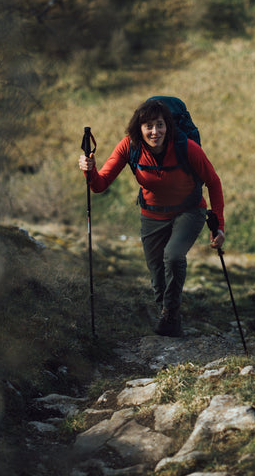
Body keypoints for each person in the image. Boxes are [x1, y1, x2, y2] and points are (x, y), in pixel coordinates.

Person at [78, 98, 225, 337]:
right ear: (139, 128)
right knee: (157, 274)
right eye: (148, 126)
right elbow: (100, 184)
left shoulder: (187, 148)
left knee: (173, 256)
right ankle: (169, 315)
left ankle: (169, 315)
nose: (155, 132)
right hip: (152, 215)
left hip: (189, 210)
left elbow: (213, 182)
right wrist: (89, 169)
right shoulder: (129, 146)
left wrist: (218, 225)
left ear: (168, 126)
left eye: (160, 125)